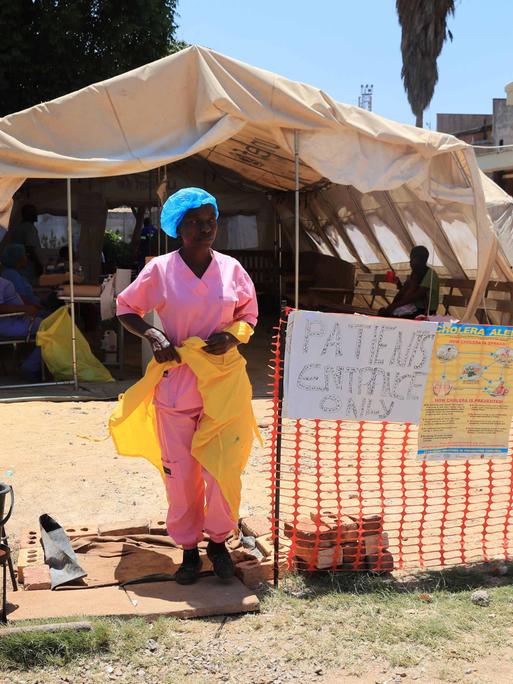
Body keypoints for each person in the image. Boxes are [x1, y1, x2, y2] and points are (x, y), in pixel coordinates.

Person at [117, 187, 258, 585]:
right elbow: (126, 308)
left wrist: (233, 336)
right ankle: (189, 550)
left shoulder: (232, 269)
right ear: (178, 228)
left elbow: (249, 313)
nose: (205, 227)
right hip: (177, 386)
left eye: (210, 220)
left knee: (223, 469)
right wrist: (153, 335)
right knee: (181, 474)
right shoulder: (160, 270)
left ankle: (218, 542)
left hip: (224, 386)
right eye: (195, 222)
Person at [0, 276, 44, 381]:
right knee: (54, 328)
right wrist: (25, 308)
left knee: (53, 322)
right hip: (9, 324)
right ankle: (31, 367)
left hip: (15, 320)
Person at [379, 246, 439, 319]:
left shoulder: (430, 274)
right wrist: (398, 284)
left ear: (420, 260)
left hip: (425, 311)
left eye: (412, 258)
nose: (410, 261)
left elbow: (417, 295)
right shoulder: (418, 272)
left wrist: (394, 306)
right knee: (384, 313)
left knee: (389, 316)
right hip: (414, 308)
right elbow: (409, 292)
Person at [7, 205, 43, 284]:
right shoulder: (29, 228)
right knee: (29, 289)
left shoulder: (18, 228)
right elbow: (30, 249)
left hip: (18, 266)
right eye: (34, 213)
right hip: (28, 267)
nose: (36, 214)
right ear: (28, 214)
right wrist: (38, 265)